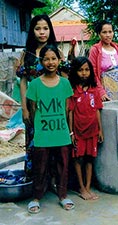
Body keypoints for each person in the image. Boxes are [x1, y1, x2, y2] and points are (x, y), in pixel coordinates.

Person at [16, 14, 68, 181]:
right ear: (32, 31)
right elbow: (23, 83)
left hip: (53, 109)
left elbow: (65, 79)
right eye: (37, 28)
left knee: (55, 145)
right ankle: (35, 181)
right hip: (33, 107)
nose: (42, 32)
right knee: (34, 143)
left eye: (45, 28)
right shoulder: (27, 54)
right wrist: (24, 109)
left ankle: (54, 181)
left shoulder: (56, 52)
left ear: (50, 30)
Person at [26, 44, 74, 213]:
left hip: (61, 133)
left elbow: (68, 110)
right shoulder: (35, 85)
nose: (50, 62)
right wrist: (38, 128)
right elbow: (32, 110)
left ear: (59, 61)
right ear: (41, 61)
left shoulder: (65, 83)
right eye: (46, 59)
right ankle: (36, 197)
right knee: (40, 166)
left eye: (54, 58)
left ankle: (63, 195)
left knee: (63, 165)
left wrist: (70, 131)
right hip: (43, 134)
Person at [68, 56, 104, 200]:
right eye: (80, 70)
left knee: (90, 159)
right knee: (78, 159)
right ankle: (81, 188)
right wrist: (71, 132)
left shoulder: (94, 90)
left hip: (92, 131)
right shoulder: (72, 91)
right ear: (75, 72)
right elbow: (70, 112)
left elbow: (97, 110)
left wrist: (100, 130)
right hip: (78, 132)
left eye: (87, 70)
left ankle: (88, 187)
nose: (84, 73)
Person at [89, 20, 118, 101]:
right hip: (105, 91)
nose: (108, 35)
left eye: (110, 32)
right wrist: (101, 92)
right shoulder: (95, 50)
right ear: (99, 34)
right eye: (104, 32)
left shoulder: (117, 48)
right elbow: (93, 73)